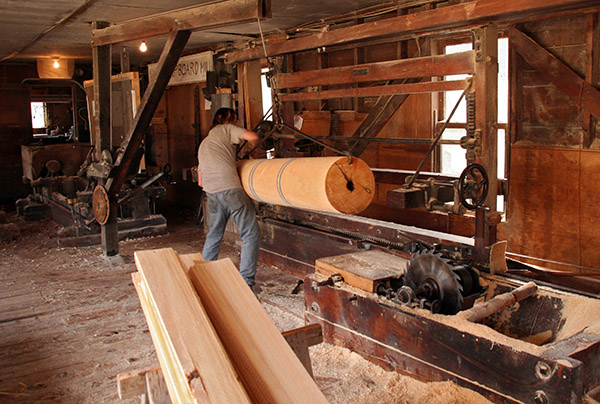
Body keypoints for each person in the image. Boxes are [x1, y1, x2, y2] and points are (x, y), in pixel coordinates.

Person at [197, 108, 260, 289]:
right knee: (250, 234)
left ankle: (204, 277)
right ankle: (246, 284)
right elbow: (253, 136)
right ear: (226, 119)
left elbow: (200, 181)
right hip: (230, 189)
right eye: (235, 120)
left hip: (211, 192)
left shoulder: (205, 143)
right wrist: (259, 146)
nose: (236, 123)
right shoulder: (226, 129)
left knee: (214, 234)